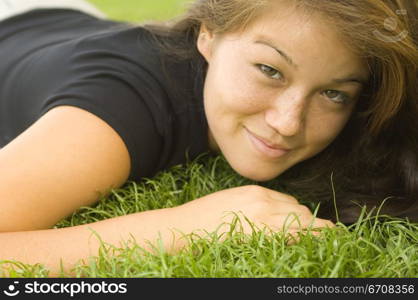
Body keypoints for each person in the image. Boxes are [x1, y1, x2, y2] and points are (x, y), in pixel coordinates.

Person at [0, 0, 416, 276]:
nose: (288, 122)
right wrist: (184, 225)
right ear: (208, 36)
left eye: (332, 93)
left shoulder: (361, 114)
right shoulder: (118, 108)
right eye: (270, 70)